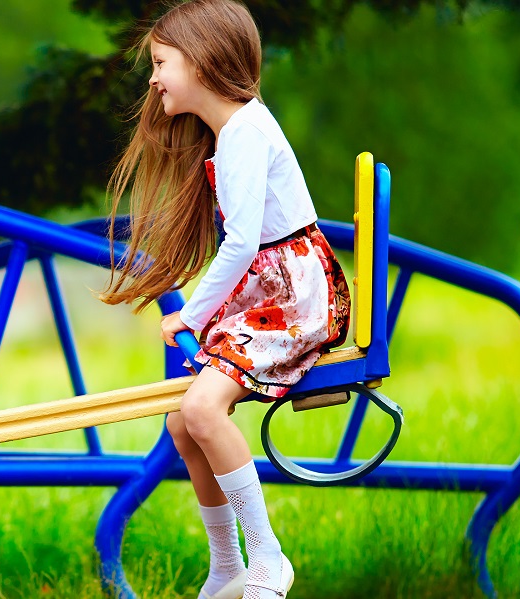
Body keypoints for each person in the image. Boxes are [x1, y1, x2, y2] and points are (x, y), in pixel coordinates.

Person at [99, 1, 352, 597]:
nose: (154, 78)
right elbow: (243, 247)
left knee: (203, 409)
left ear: (203, 63)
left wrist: (189, 312)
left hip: (292, 296)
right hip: (275, 288)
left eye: (162, 63)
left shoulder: (244, 132)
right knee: (183, 423)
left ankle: (268, 556)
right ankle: (228, 566)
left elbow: (240, 244)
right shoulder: (236, 131)